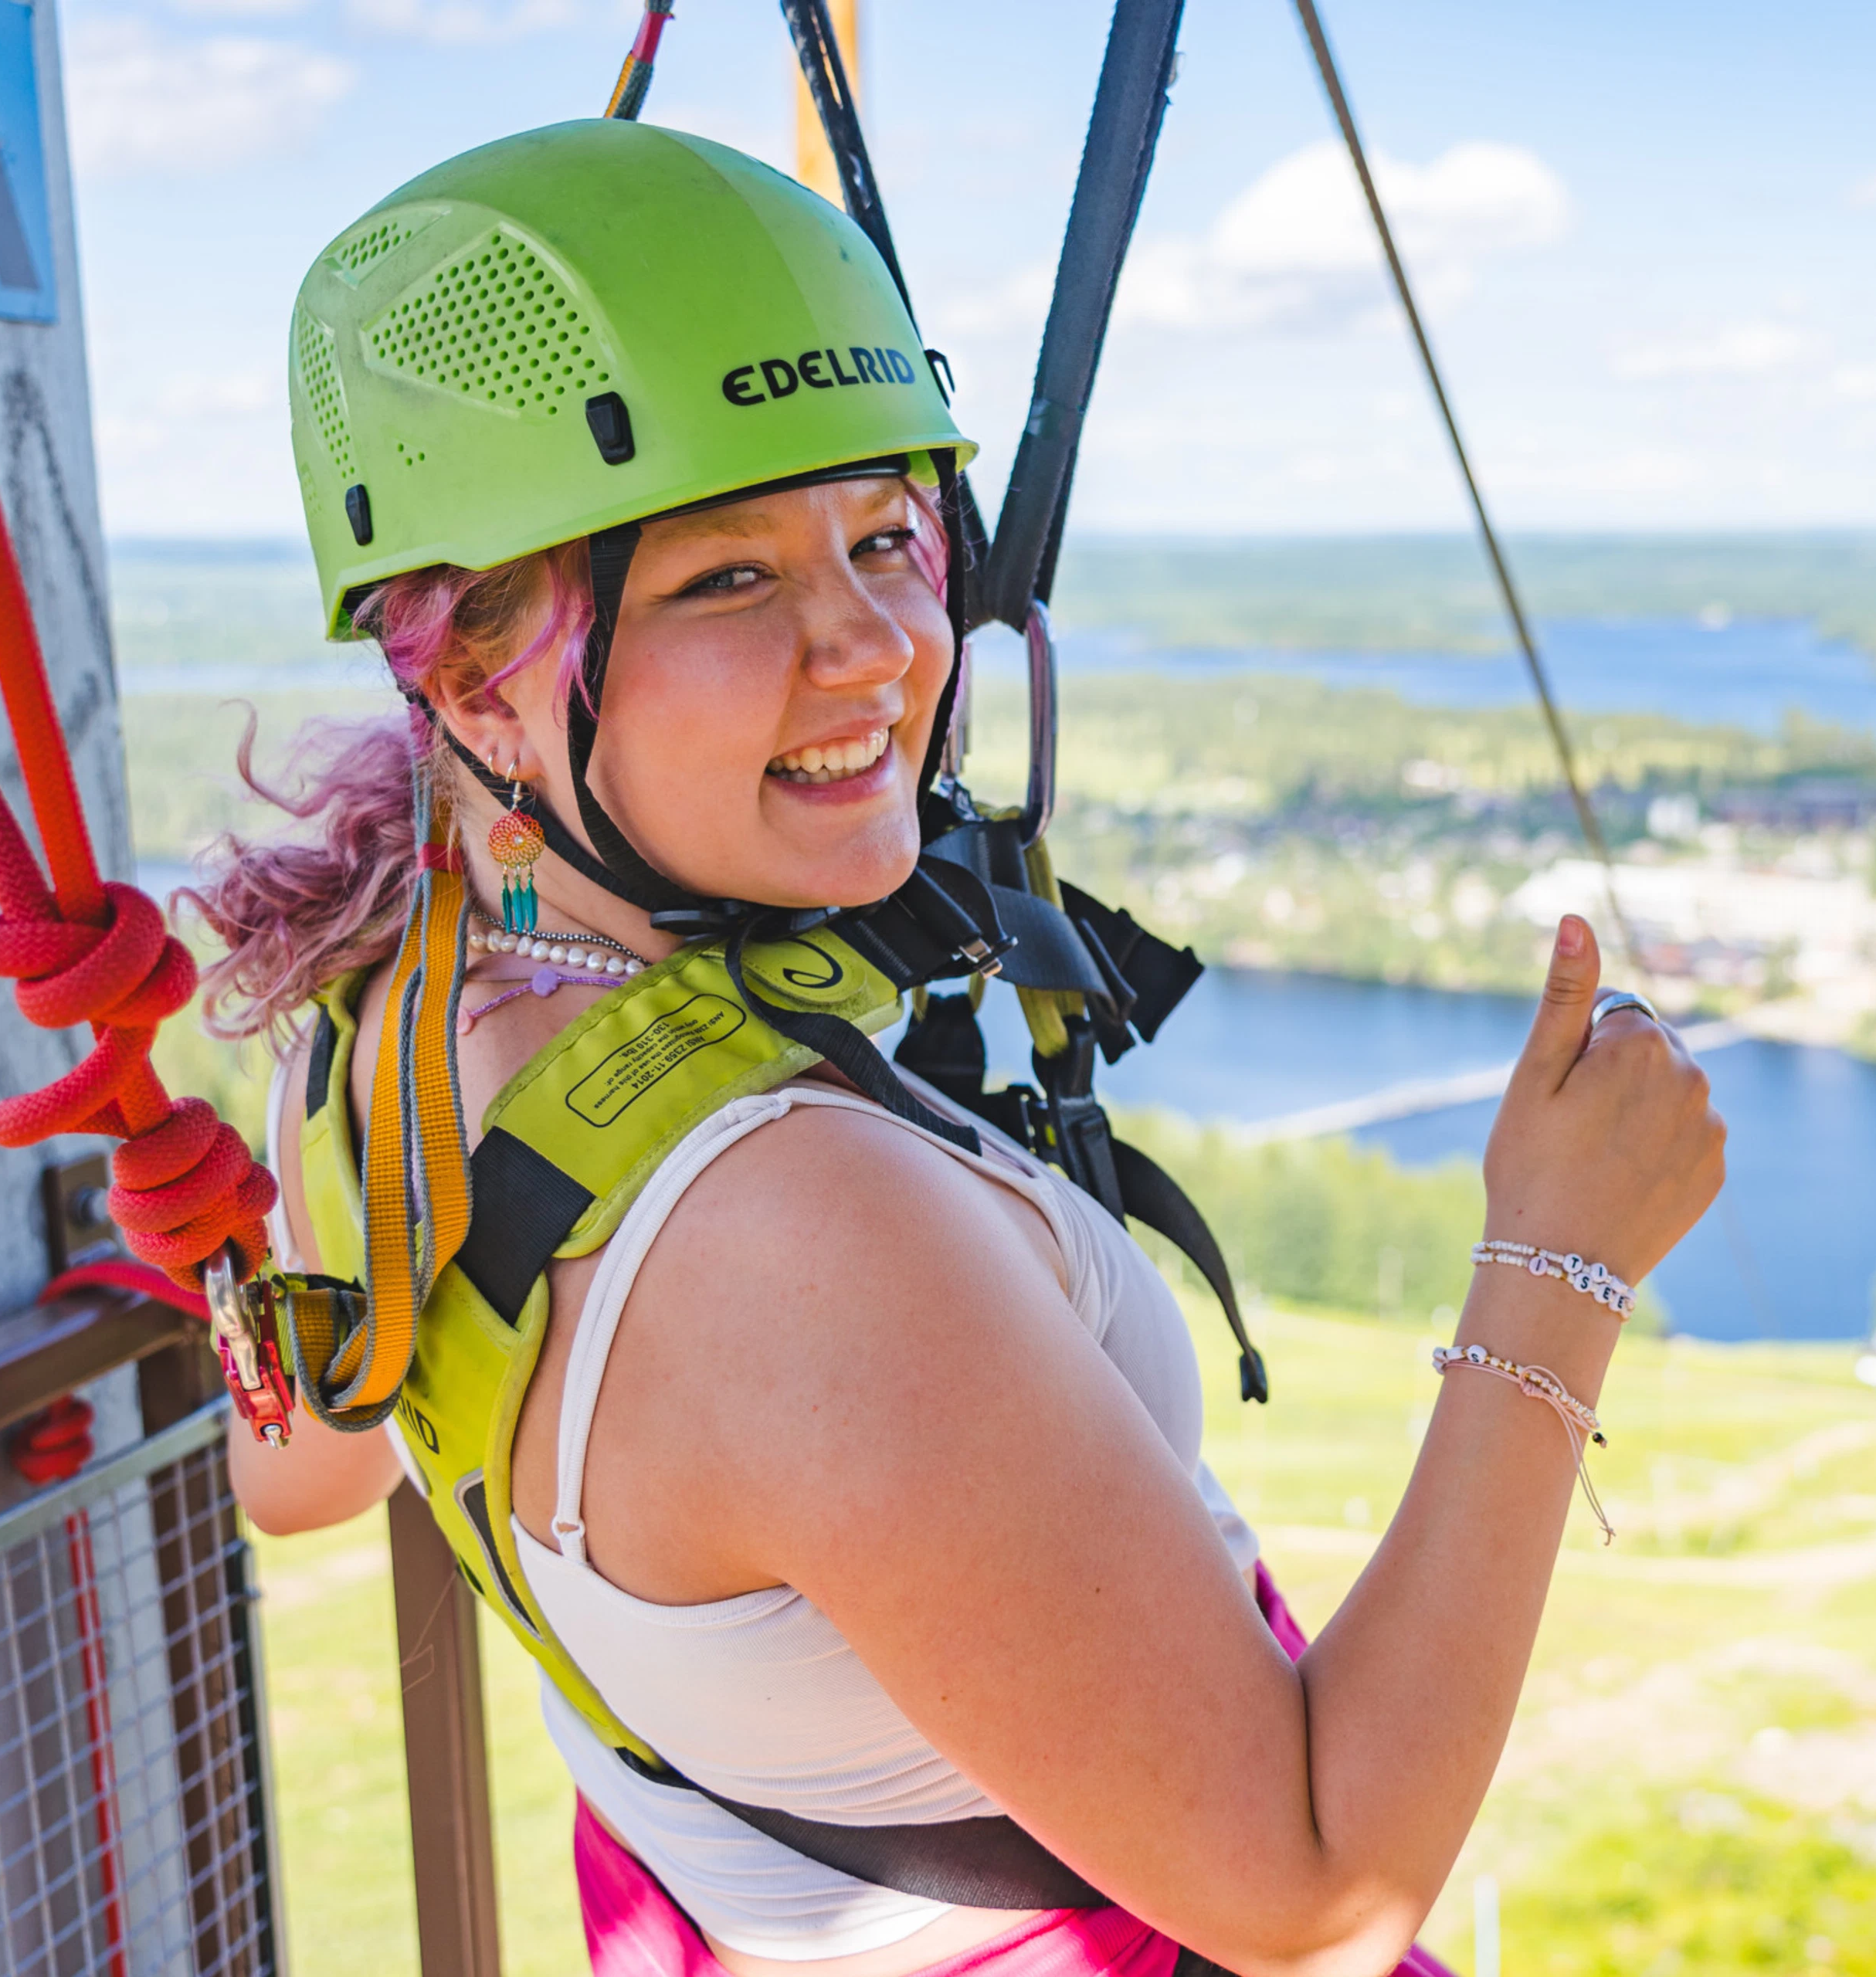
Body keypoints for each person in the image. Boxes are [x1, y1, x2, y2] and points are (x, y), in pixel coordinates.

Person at [203, 119, 1724, 1977]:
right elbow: (1320, 1896)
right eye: (724, 582)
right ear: (466, 673)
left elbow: (300, 1475)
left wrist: (226, 1249)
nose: (874, 651)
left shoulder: (381, 1019)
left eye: (885, 537)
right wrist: (1559, 1262)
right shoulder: (788, 1229)